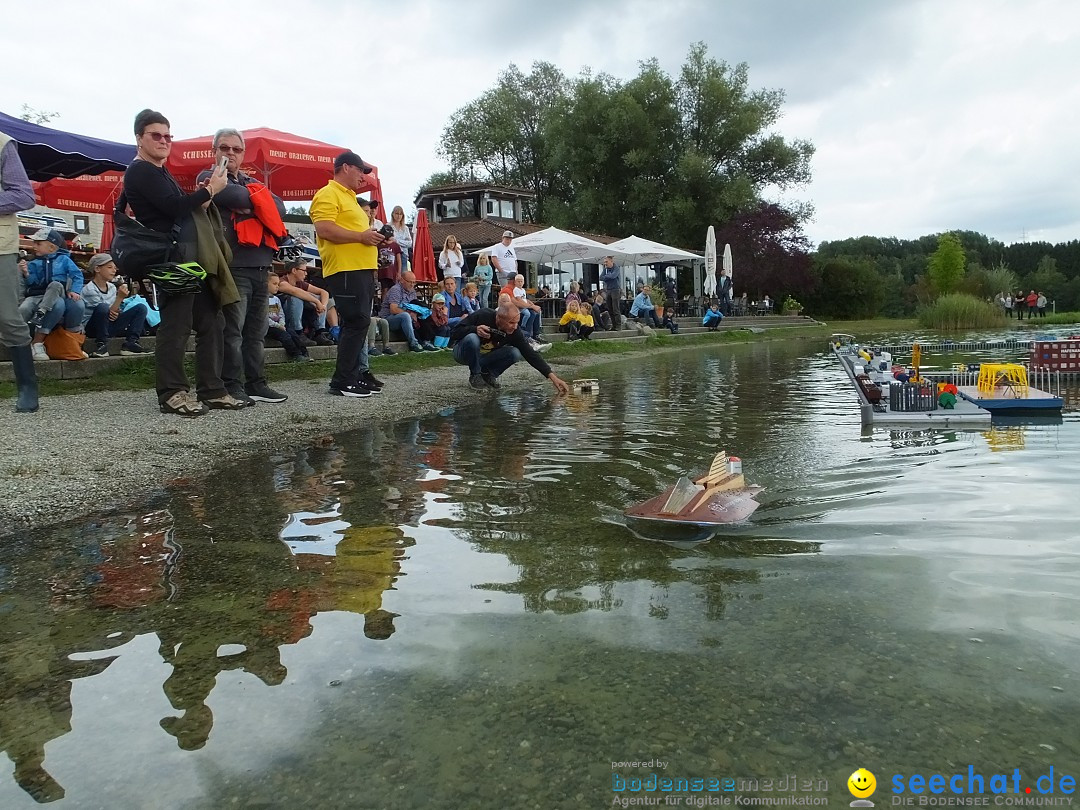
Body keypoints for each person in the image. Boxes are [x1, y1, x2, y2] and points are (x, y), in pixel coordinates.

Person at [123, 109, 243, 416]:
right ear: (140, 138)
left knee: (210, 322)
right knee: (176, 325)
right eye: (156, 135)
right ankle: (172, 393)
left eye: (167, 135)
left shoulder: (158, 171)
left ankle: (212, 390)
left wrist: (204, 195)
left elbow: (179, 206)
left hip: (187, 256)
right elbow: (175, 207)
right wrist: (210, 190)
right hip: (171, 258)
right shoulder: (141, 171)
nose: (164, 141)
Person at [195, 128, 288, 406]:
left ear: (243, 153)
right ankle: (231, 384)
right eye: (224, 148)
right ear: (214, 151)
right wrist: (259, 203)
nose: (230, 153)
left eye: (236, 149)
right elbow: (235, 199)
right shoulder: (208, 178)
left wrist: (255, 203)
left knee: (256, 332)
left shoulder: (250, 181)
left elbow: (280, 208)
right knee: (232, 332)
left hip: (261, 266)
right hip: (232, 267)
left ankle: (256, 383)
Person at [309, 152, 388, 398]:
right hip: (345, 268)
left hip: (360, 267)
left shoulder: (351, 199)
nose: (363, 178)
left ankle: (353, 375)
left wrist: (374, 239)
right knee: (356, 321)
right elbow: (324, 229)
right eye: (360, 171)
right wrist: (361, 237)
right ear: (345, 167)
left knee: (360, 321)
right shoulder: (327, 193)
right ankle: (342, 380)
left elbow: (356, 234)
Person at [0, 126, 38, 412]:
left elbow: (24, 195)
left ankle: (27, 387)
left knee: (7, 316)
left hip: (0, 246)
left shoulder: (2, 144)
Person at [451, 302, 569, 392]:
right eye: (511, 323)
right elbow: (454, 332)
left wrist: (553, 377)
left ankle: (488, 375)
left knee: (515, 352)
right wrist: (474, 329)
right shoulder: (483, 315)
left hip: (484, 356)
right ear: (498, 319)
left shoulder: (515, 331)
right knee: (472, 338)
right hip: (463, 353)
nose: (515, 326)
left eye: (517, 322)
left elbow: (530, 354)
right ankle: (475, 375)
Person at [20, 228, 87, 360]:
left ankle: (71, 342)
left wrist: (75, 290)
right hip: (41, 295)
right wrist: (27, 274)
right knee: (28, 308)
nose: (34, 247)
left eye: (38, 243)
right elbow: (33, 283)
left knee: (58, 287)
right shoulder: (34, 262)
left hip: (58, 291)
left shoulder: (64, 259)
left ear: (51, 247)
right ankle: (22, 338)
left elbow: (77, 275)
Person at [81, 253, 149, 357]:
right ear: (97, 269)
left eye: (114, 268)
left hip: (109, 325)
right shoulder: (89, 290)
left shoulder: (112, 287)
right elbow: (106, 313)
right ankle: (101, 345)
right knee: (103, 307)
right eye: (109, 267)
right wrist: (120, 298)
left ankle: (131, 343)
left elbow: (113, 312)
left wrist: (117, 312)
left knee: (141, 308)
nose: (114, 270)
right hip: (94, 328)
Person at [380, 270, 438, 352]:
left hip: (407, 318)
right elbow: (393, 309)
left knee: (422, 313)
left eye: (414, 282)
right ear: (402, 280)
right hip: (388, 319)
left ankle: (426, 341)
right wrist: (410, 314)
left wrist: (416, 313)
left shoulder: (412, 291)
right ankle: (413, 343)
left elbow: (414, 306)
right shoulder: (396, 290)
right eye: (410, 282)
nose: (412, 285)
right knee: (406, 316)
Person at [277, 258, 330, 344]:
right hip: (284, 319)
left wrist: (322, 305)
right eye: (304, 270)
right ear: (294, 270)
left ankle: (319, 332)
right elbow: (295, 291)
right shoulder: (282, 282)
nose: (306, 273)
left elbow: (324, 292)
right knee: (296, 297)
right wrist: (317, 302)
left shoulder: (300, 283)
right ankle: (297, 332)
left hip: (302, 316)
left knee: (320, 297)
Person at [265, 271, 311, 362]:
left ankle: (304, 352)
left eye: (278, 284)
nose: (277, 286)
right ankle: (296, 354)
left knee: (293, 333)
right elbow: (264, 318)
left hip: (280, 324)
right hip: (270, 327)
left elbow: (281, 313)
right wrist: (278, 326)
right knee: (285, 336)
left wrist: (282, 323)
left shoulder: (276, 299)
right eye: (274, 284)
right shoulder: (262, 300)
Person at [503, 273, 550, 350]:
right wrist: (532, 306)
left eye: (521, 281)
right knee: (531, 314)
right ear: (513, 281)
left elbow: (525, 300)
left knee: (536, 313)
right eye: (517, 281)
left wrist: (533, 305)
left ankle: (536, 335)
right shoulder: (508, 289)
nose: (520, 283)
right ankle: (528, 337)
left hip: (520, 309)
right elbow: (517, 302)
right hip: (513, 312)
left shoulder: (520, 289)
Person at [600, 255, 623, 331]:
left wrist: (606, 277)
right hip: (608, 290)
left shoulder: (616, 268)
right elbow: (600, 277)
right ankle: (614, 325)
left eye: (606, 262)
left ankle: (618, 326)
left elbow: (613, 276)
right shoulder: (605, 269)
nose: (605, 264)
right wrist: (608, 277)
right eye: (604, 262)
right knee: (610, 308)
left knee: (616, 308)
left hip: (616, 290)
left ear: (611, 261)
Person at [389, 205, 412, 273]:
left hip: (403, 255)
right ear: (393, 214)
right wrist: (403, 242)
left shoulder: (405, 228)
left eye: (400, 214)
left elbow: (409, 243)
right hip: (392, 255)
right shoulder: (388, 226)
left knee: (404, 276)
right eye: (397, 213)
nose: (398, 216)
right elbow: (388, 241)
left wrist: (396, 241)